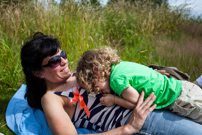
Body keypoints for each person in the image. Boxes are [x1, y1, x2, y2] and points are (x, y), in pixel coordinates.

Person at [21, 32, 202, 135]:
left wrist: (147, 76)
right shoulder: (51, 98)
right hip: (140, 120)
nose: (63, 61)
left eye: (63, 55)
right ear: (38, 73)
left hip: (155, 100)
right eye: (54, 61)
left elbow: (115, 74)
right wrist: (128, 128)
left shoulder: (77, 74)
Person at [76, 47, 202, 124]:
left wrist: (114, 100)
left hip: (180, 99)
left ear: (97, 71)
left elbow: (138, 104)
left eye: (94, 86)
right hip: (183, 87)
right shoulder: (121, 66)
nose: (97, 92)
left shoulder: (116, 81)